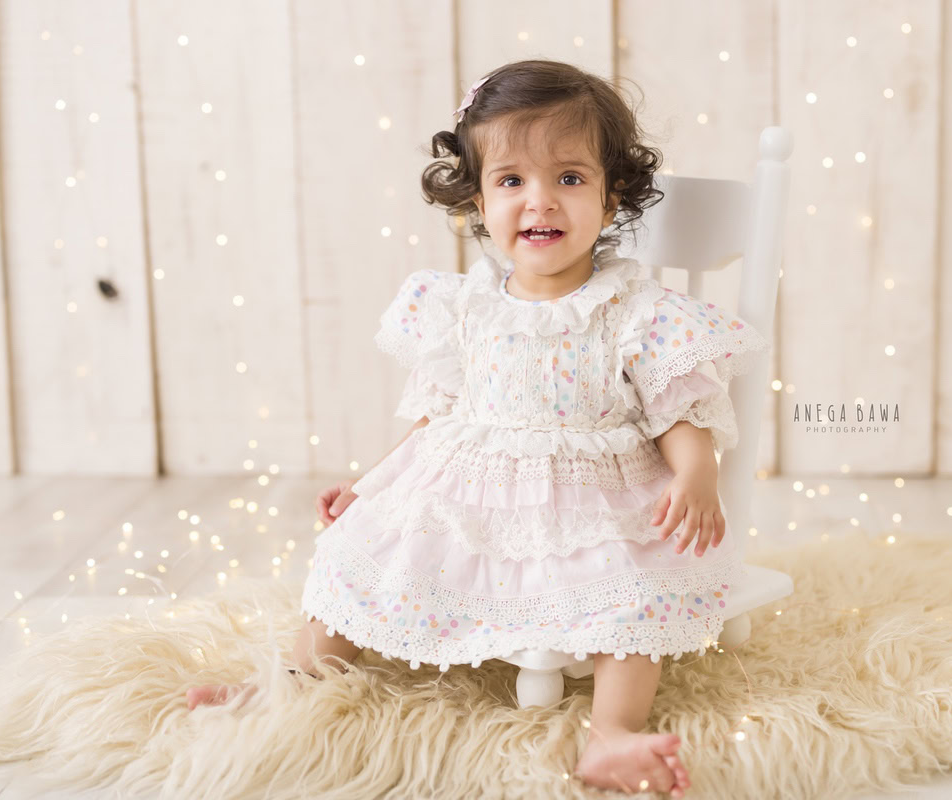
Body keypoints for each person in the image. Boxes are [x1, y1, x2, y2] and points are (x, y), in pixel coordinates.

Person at [186, 58, 769, 797]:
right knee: (360, 554)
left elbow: (675, 410)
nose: (539, 202)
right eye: (511, 181)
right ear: (475, 197)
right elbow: (436, 415)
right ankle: (291, 680)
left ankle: (612, 732)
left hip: (594, 499)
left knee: (633, 592)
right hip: (469, 486)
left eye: (569, 178)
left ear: (612, 192)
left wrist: (696, 474)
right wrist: (372, 485)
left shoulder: (637, 311)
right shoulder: (460, 306)